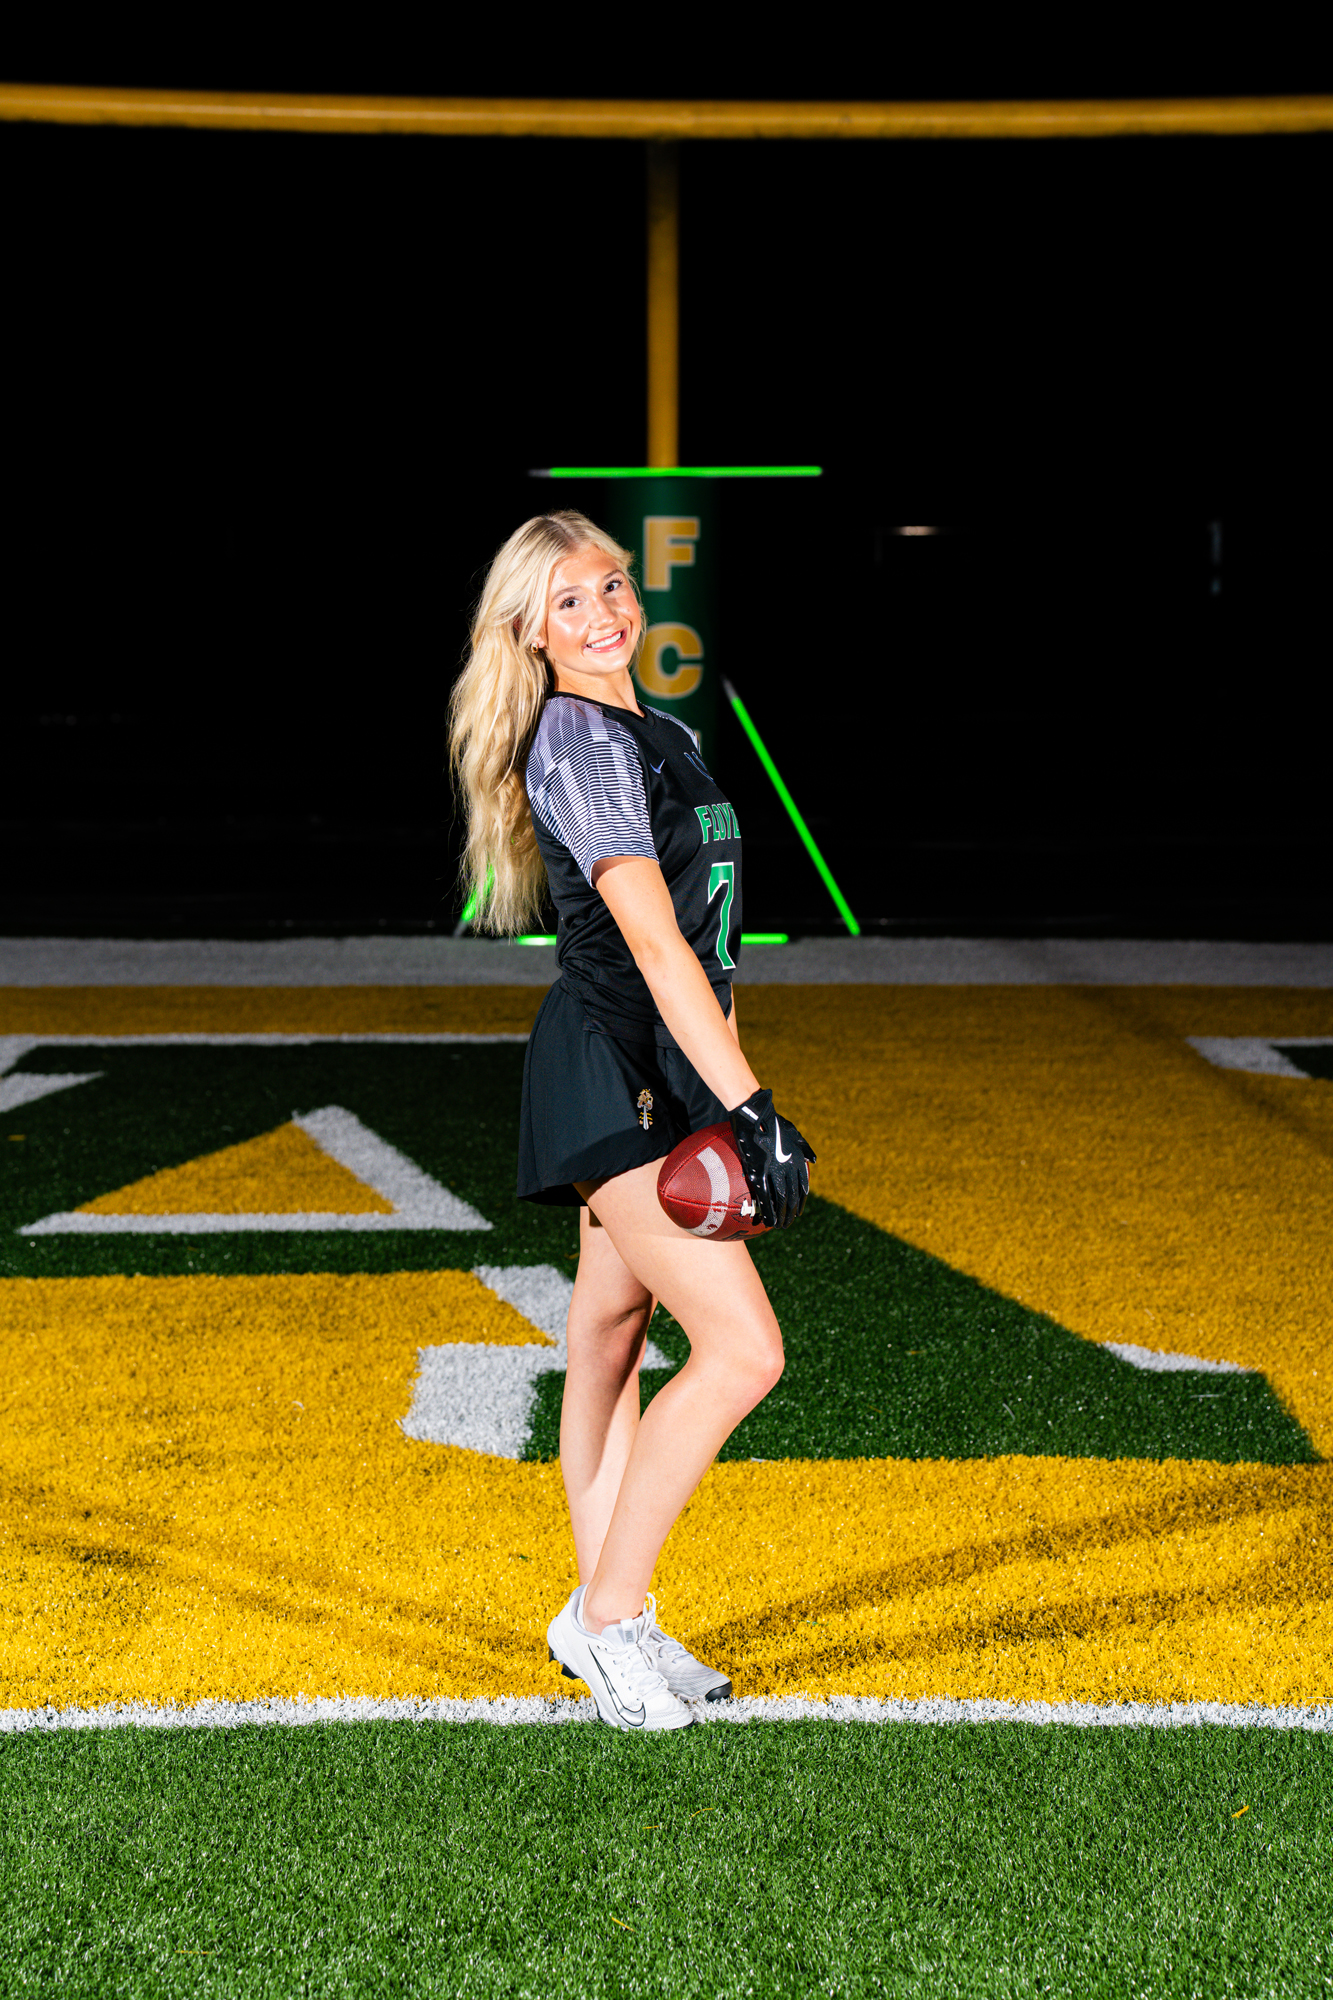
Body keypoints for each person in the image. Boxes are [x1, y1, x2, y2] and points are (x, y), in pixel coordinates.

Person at [448, 509, 815, 1732]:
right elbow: (655, 945)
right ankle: (608, 1618)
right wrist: (749, 1104)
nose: (602, 612)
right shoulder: (577, 736)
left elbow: (704, 950)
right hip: (607, 1064)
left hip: (658, 1059)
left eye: (610, 585)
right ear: (529, 631)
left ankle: (608, 1611)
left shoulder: (664, 732)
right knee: (744, 1350)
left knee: (608, 1335)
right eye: (569, 600)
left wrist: (720, 1085)